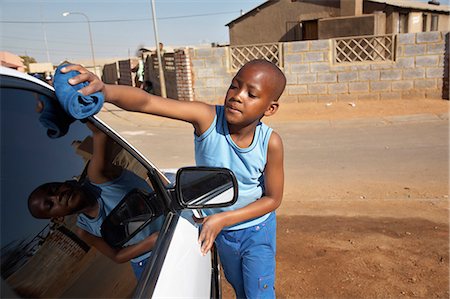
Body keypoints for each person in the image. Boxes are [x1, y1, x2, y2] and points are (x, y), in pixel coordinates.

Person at [61, 59, 286, 298]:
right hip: (219, 230)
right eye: (234, 86)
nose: (237, 96)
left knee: (258, 293)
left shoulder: (270, 142)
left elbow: (272, 199)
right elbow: (148, 101)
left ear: (269, 109)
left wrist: (223, 219)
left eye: (251, 94)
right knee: (239, 286)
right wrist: (105, 90)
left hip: (255, 229)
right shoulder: (207, 118)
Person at [28, 121, 161, 279]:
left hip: (173, 223)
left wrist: (77, 109)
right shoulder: (84, 230)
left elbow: (100, 133)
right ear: (58, 217)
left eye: (54, 189)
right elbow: (117, 256)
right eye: (50, 204)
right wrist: (154, 240)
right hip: (146, 263)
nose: (58, 196)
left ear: (66, 183)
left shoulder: (99, 177)